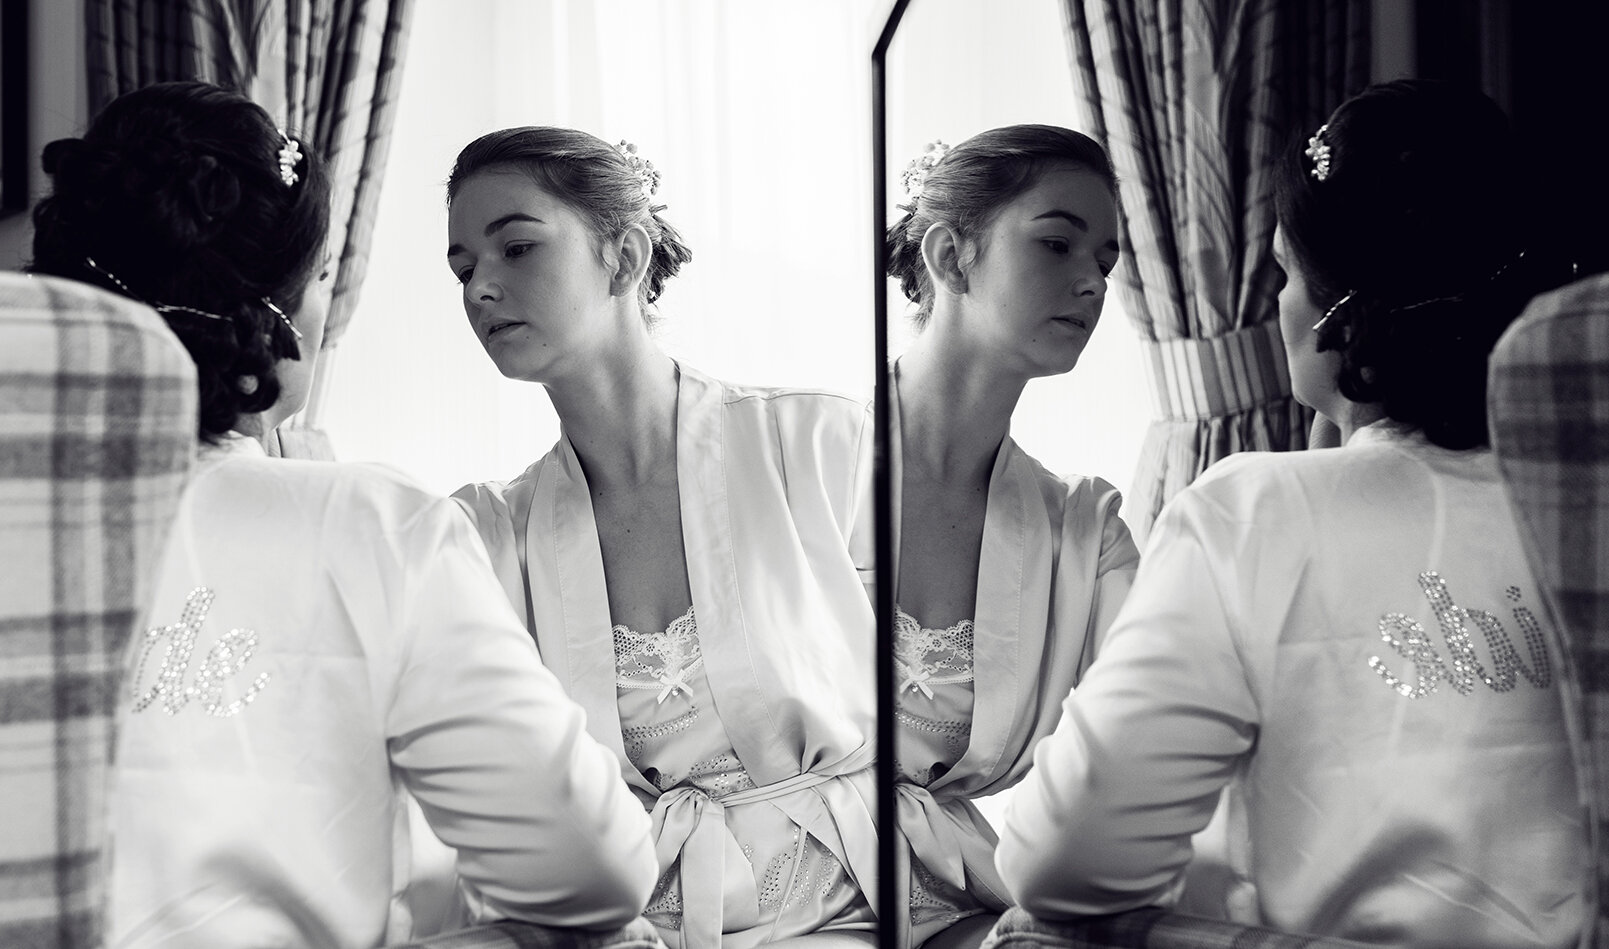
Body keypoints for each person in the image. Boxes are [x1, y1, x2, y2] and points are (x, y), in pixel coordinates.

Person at [28, 81, 657, 948]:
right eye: (324, 273)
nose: (482, 292)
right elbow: (592, 872)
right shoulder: (375, 525)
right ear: (277, 312)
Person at [995, 79, 1589, 948]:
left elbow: (1061, 863)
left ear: (1337, 314)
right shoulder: (1584, 510)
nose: (1275, 303)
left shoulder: (1254, 514)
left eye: (1281, 271)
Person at [446, 128, 878, 949]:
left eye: (516, 246)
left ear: (625, 255)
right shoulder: (488, 534)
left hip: (848, 906)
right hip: (628, 924)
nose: (481, 289)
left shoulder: (819, 444)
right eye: (464, 267)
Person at [881, 125, 1140, 949]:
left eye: (1104, 259)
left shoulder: (1085, 531)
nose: (1092, 282)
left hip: (958, 911)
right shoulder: (781, 464)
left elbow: (1140, 762)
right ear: (951, 259)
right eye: (1057, 242)